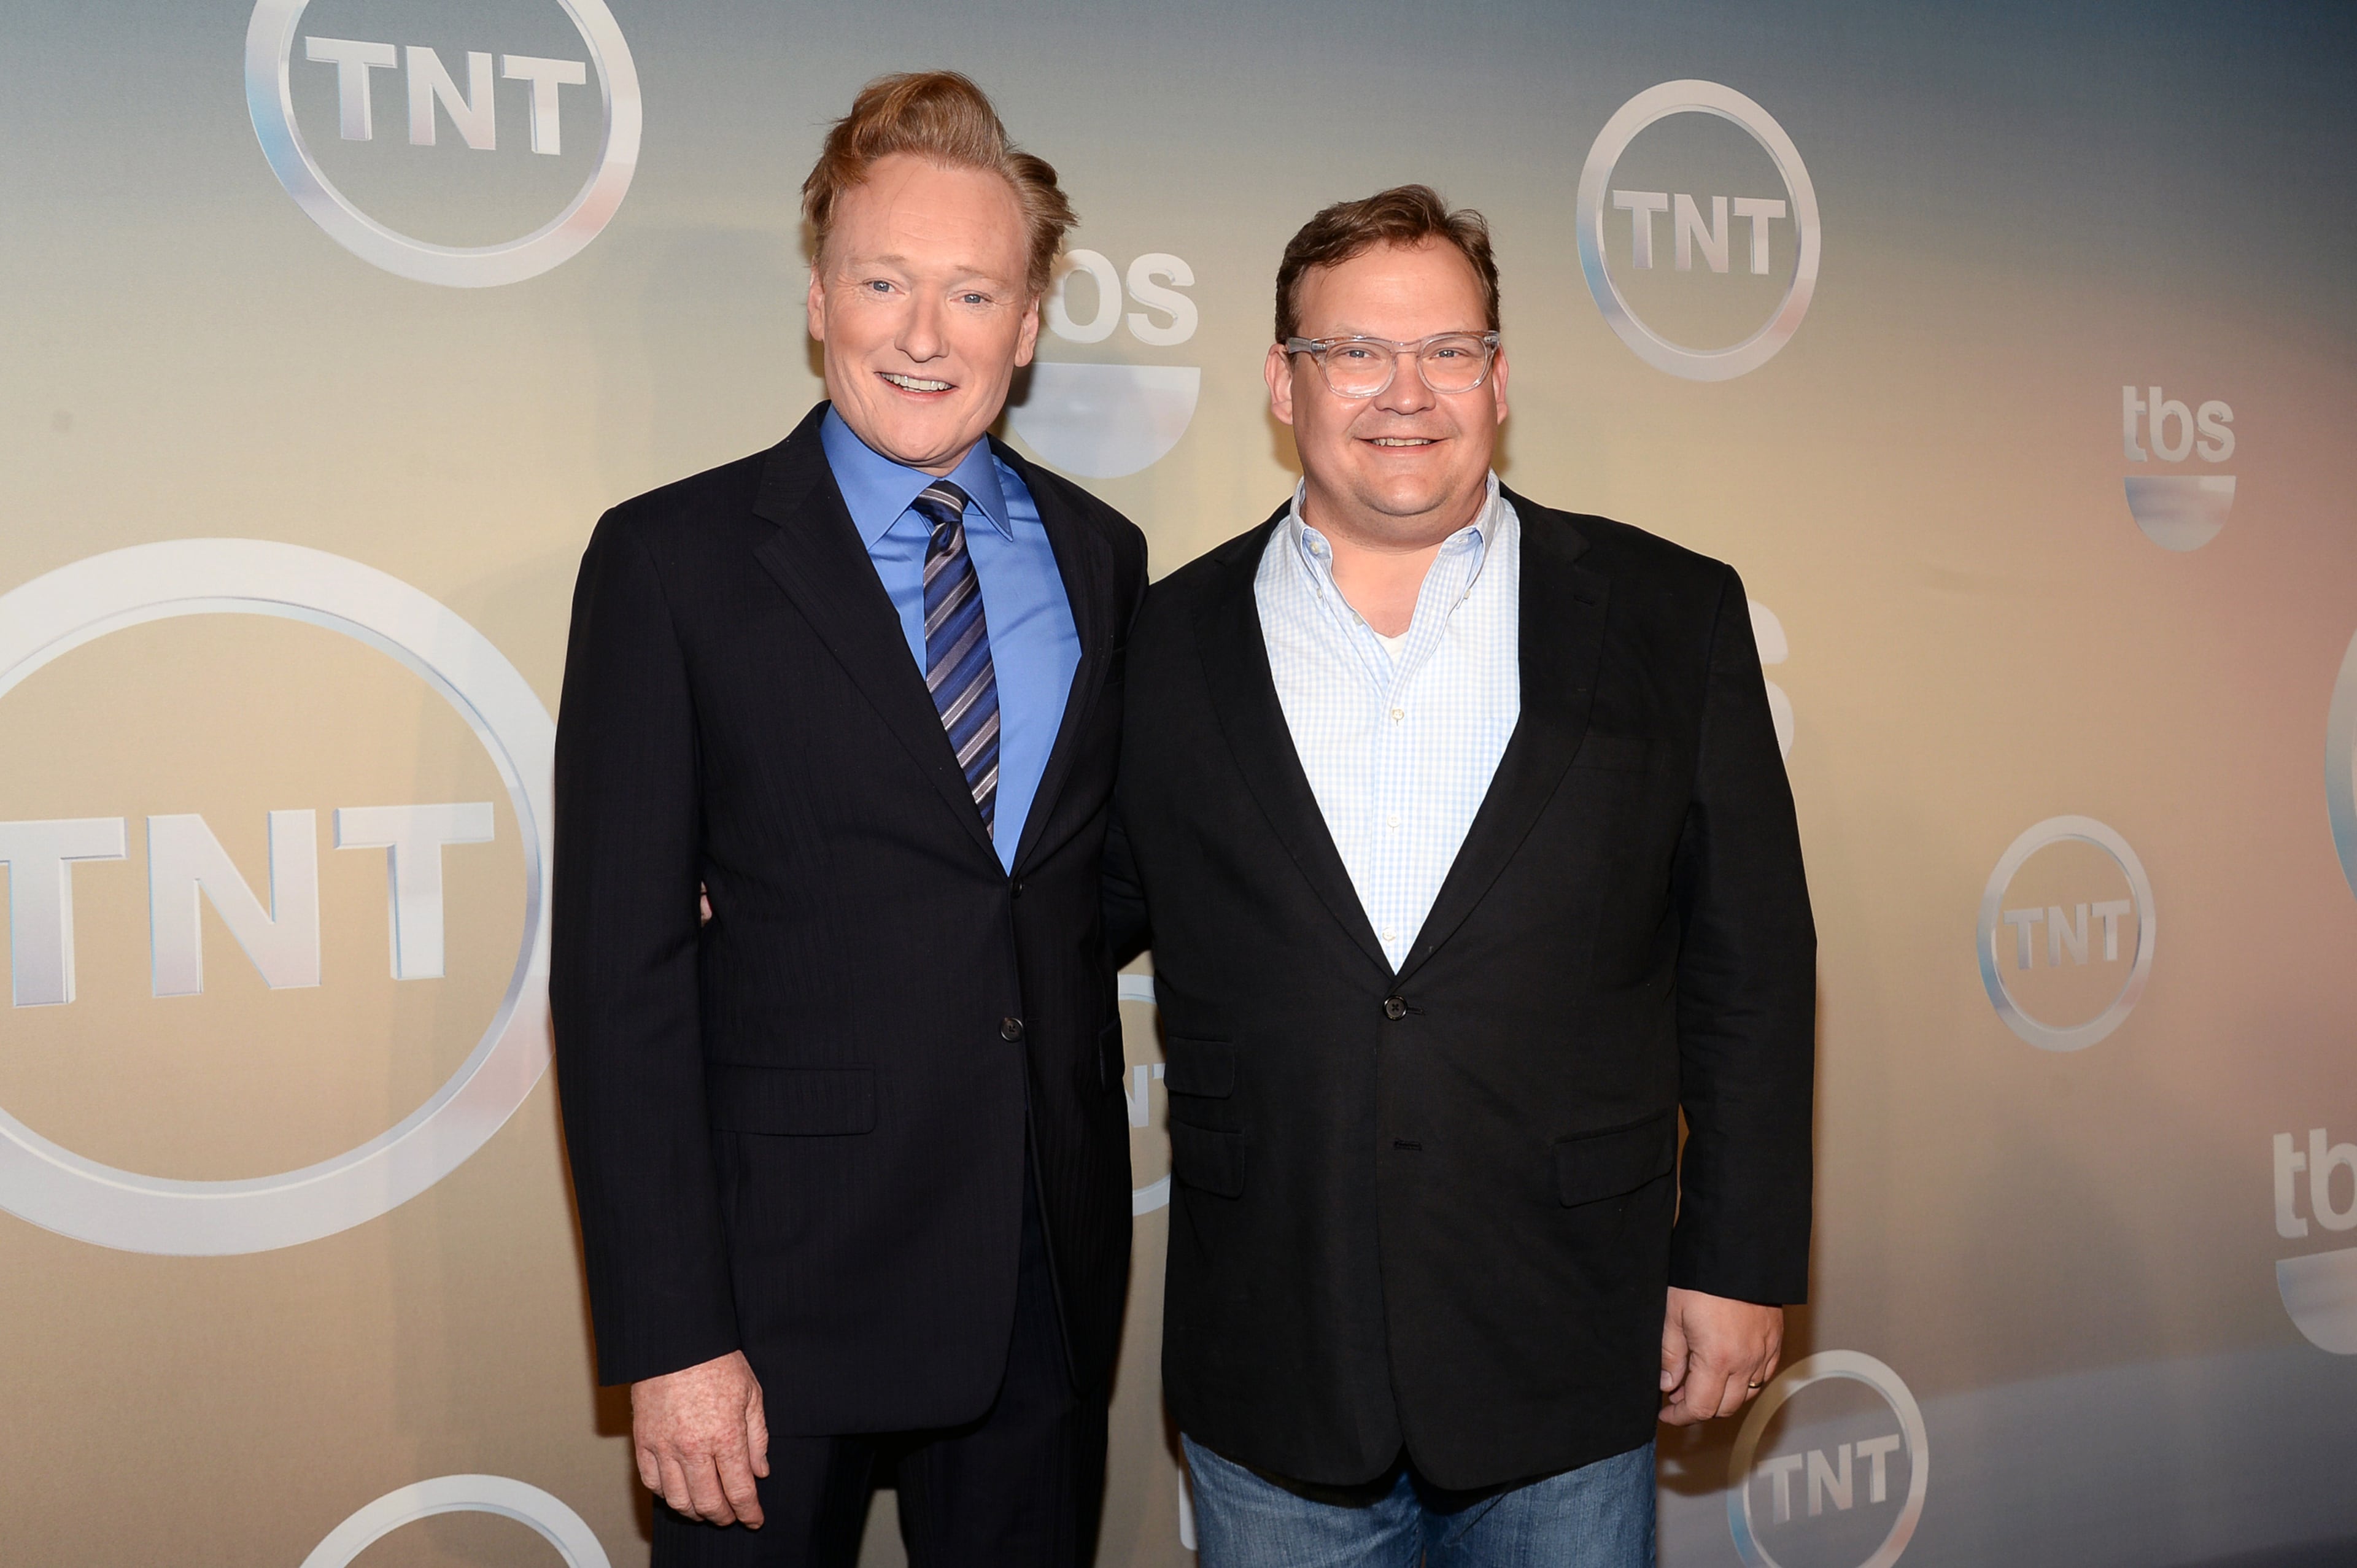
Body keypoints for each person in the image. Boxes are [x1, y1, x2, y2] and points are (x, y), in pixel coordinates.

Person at [1103, 186, 1816, 1566]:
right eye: (1354, 351)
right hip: (1275, 1359)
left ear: (1496, 376)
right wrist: (789, 890)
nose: (1403, 392)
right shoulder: (1166, 642)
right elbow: (1053, 912)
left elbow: (1752, 971)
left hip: (1568, 1346)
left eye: (1446, 350)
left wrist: (1735, 1261)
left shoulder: (1671, 615)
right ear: (1281, 381)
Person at [552, 72, 1147, 1567]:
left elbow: (1089, 885)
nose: (925, 333)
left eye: (972, 291)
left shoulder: (1106, 558)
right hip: (770, 1303)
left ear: (1029, 321)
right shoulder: (670, 564)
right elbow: (617, 984)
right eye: (884, 282)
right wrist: (672, 1336)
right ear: (821, 300)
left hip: (1038, 1280)